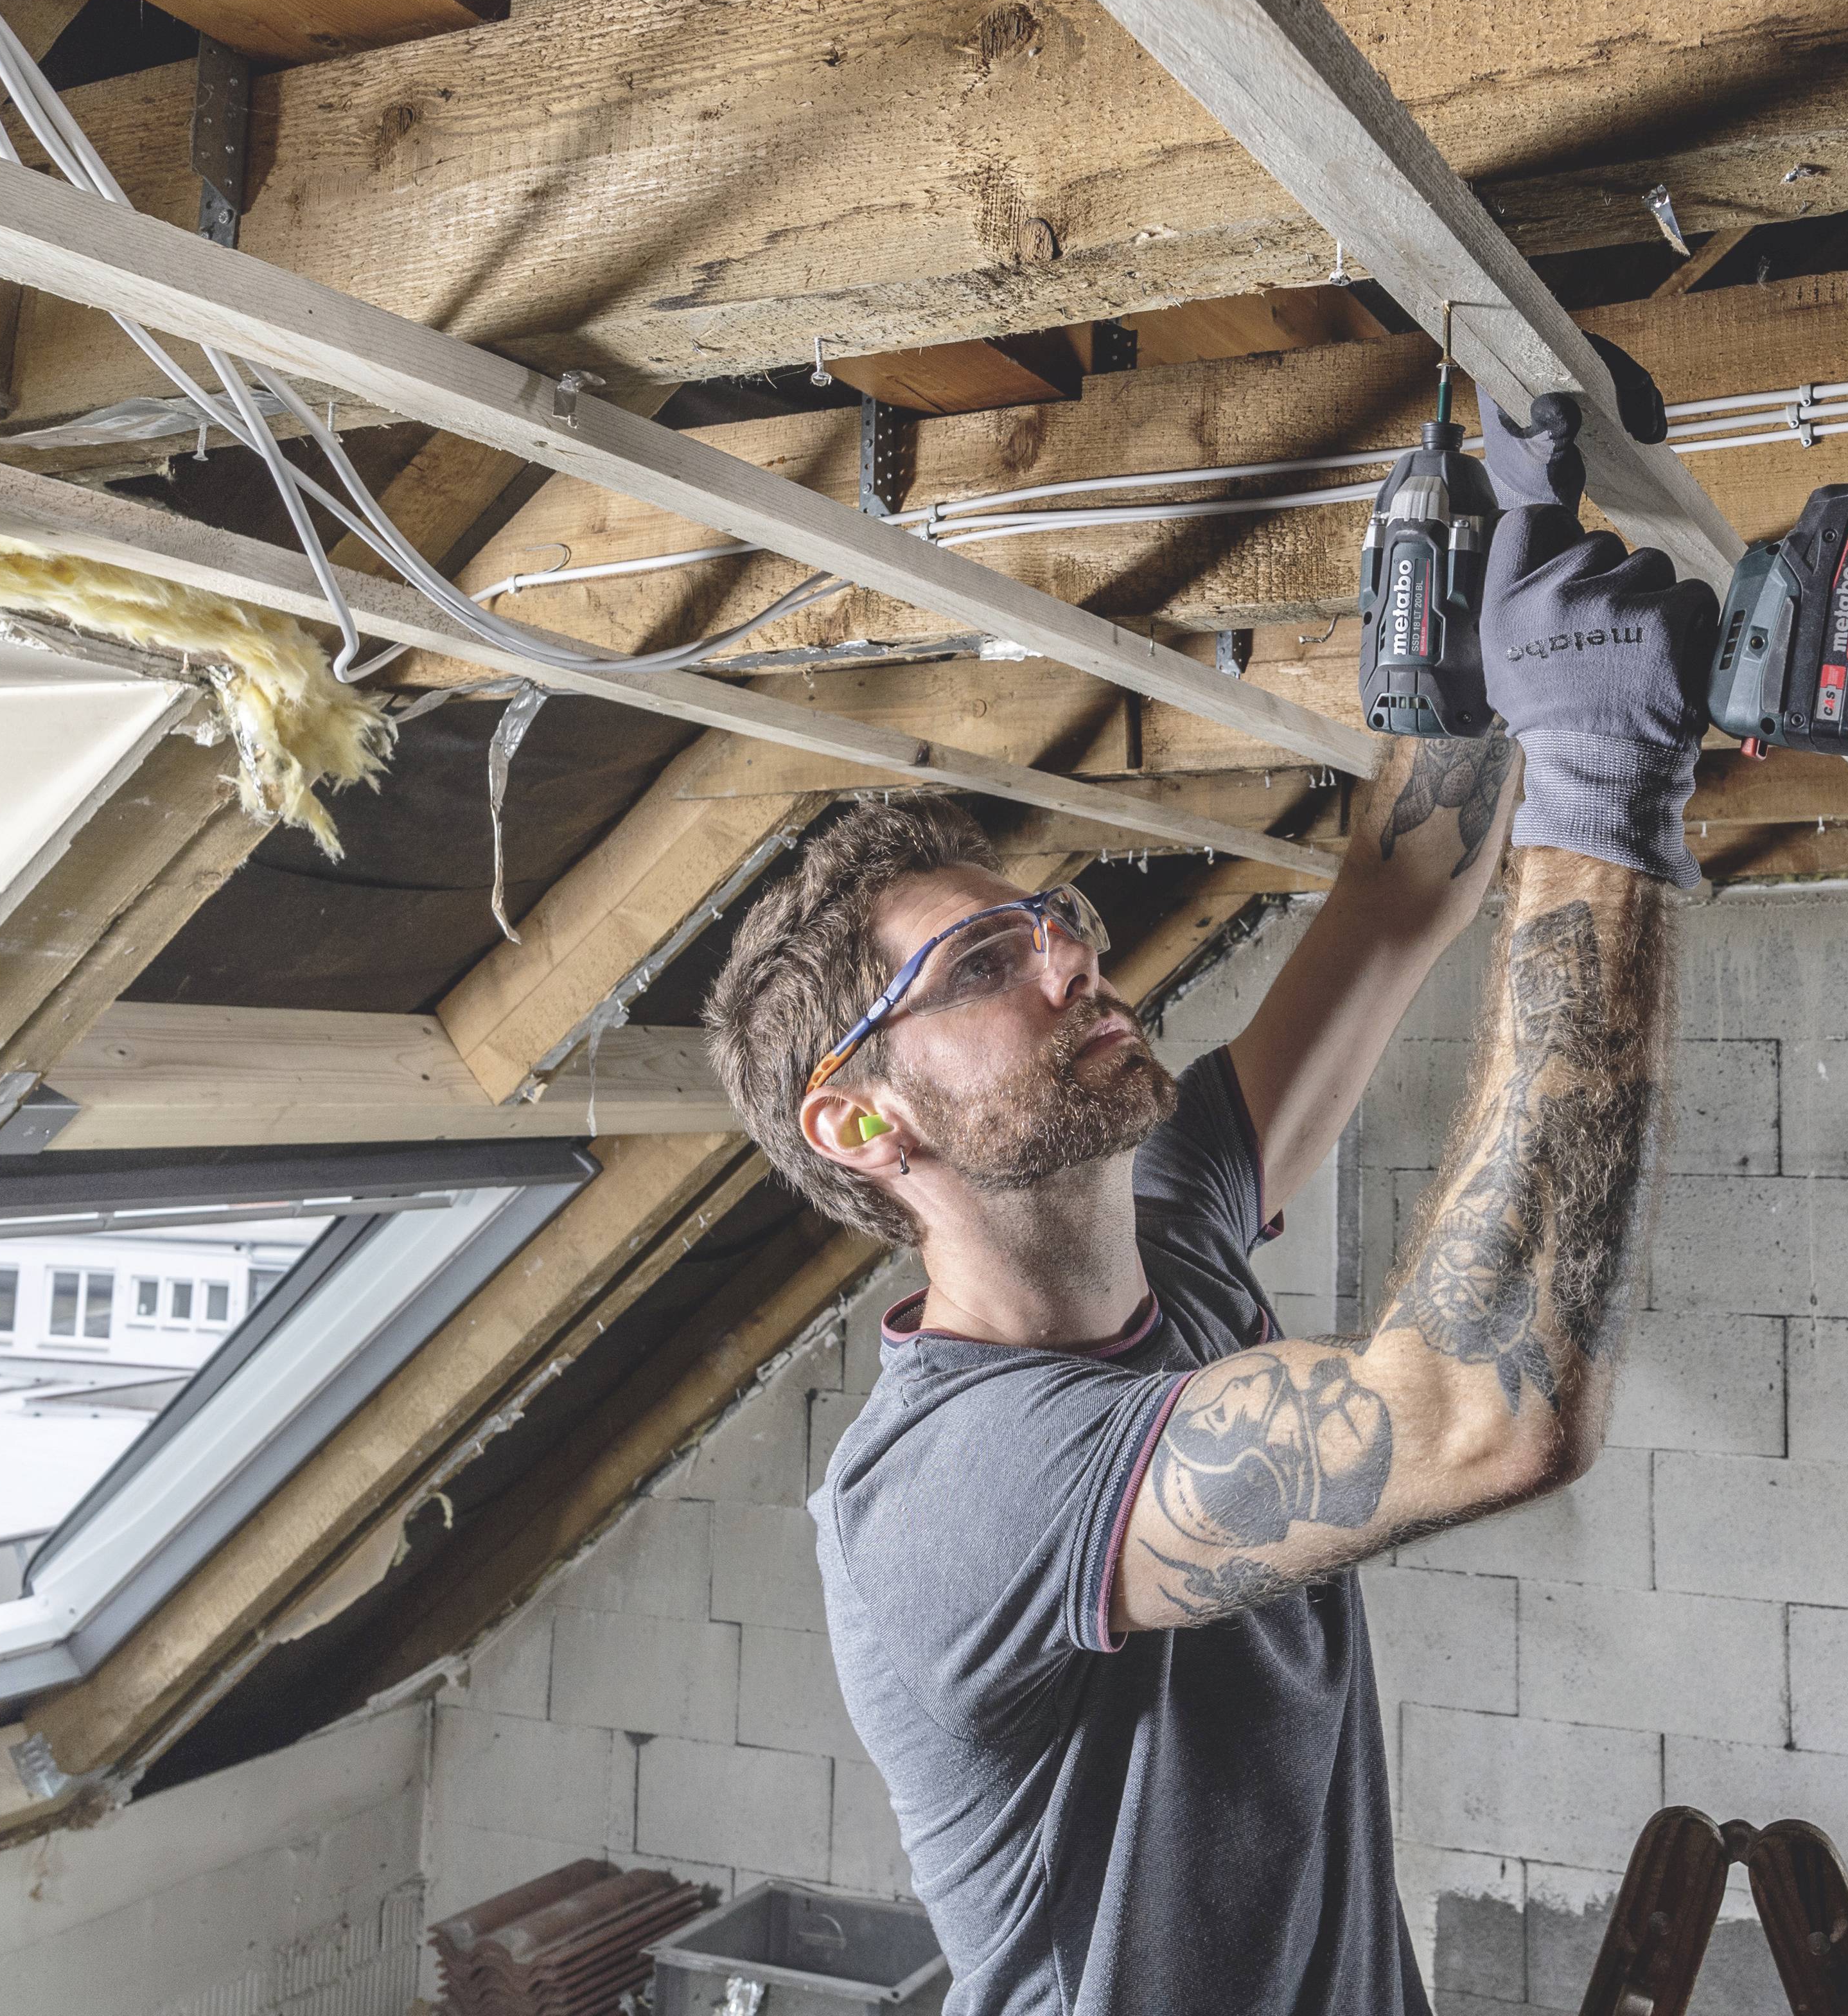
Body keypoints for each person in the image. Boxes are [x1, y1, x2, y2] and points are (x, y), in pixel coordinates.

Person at [704, 377, 1718, 2016]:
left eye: (1052, 919)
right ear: (859, 1118)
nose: (1072, 955)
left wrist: (1479, 626)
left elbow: (1393, 897)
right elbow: (1481, 1409)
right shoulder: (959, 1490)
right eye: (985, 961)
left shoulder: (1161, 1219)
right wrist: (1602, 777)